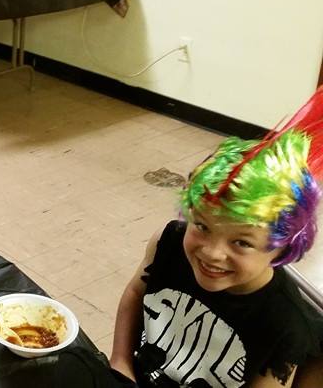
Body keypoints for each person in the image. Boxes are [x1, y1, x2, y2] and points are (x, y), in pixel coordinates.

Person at [109, 91, 323, 387]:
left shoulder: (285, 326)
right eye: (202, 225)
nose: (211, 253)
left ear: (282, 246)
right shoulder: (167, 243)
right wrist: (120, 361)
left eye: (242, 242)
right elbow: (135, 292)